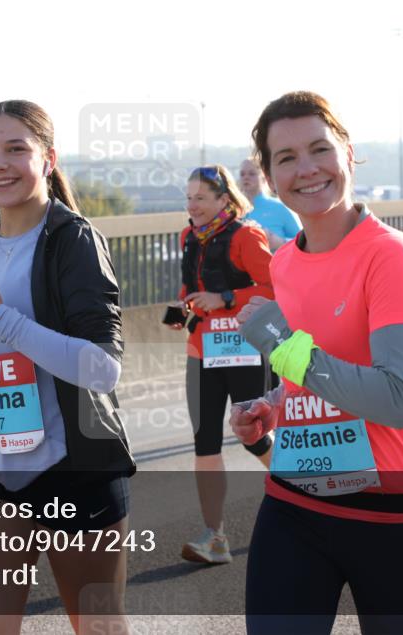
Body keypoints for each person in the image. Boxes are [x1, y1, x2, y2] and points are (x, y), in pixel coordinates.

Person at [231, 91, 403, 634]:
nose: (306, 170)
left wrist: (285, 348)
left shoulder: (389, 254)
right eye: (285, 158)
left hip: (392, 520)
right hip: (293, 506)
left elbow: (397, 399)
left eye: (319, 149)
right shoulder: (283, 263)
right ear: (269, 174)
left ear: (348, 153)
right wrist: (276, 403)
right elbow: (320, 370)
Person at [0, 100, 134, 635]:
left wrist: (0, 320)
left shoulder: (73, 239)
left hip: (75, 470)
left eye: (17, 149)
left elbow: (103, 369)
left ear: (48, 158)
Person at [167, 164, 274, 565]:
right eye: (188, 197)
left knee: (253, 436)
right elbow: (189, 289)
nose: (192, 205)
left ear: (223, 200)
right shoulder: (187, 237)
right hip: (202, 352)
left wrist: (226, 298)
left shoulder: (246, 235)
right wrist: (181, 309)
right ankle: (216, 537)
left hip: (245, 350)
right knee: (205, 442)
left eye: (200, 198)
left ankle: (304, 492)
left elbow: (272, 287)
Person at [239, 157, 300, 250]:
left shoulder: (280, 207)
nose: (246, 177)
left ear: (264, 178)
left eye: (252, 174)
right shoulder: (231, 209)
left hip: (275, 263)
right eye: (242, 174)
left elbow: (304, 242)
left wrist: (281, 242)